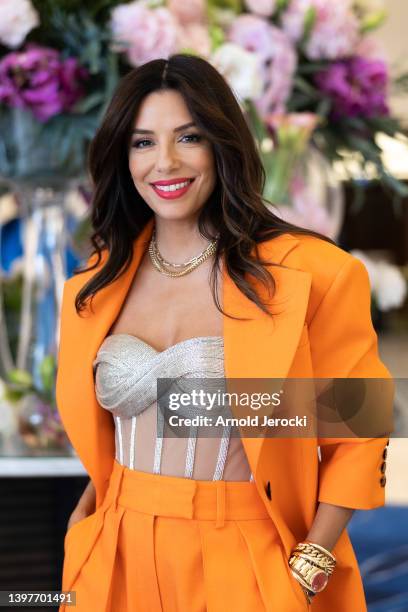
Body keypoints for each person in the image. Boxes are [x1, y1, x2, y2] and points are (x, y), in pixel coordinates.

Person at [56, 54, 394, 612]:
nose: (164, 162)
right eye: (142, 143)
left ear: (222, 143)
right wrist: (87, 520)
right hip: (113, 554)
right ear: (121, 156)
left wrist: (310, 565)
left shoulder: (314, 274)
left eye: (188, 137)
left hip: (250, 553)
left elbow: (359, 434)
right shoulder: (92, 286)